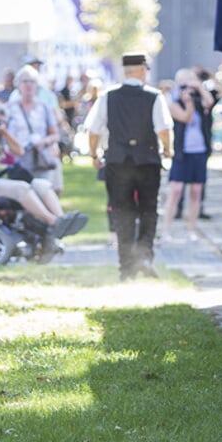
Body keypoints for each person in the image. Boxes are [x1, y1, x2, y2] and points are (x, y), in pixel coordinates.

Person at [84, 52, 173, 280]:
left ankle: (126, 268)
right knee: (148, 209)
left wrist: (94, 154)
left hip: (118, 160)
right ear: (143, 70)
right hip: (147, 160)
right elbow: (163, 129)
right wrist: (167, 149)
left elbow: (93, 130)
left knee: (122, 213)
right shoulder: (154, 96)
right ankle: (144, 254)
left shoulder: (108, 96)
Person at [0, 103, 87, 238]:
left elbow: (19, 151)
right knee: (22, 187)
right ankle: (53, 221)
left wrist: (4, 132)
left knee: (42, 184)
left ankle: (62, 220)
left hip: (6, 182)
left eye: (0, 121)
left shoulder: (2, 138)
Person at [161, 68, 213, 241]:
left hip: (199, 151)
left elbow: (210, 102)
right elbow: (186, 118)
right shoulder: (174, 101)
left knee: (196, 191)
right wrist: (188, 102)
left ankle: (192, 229)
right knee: (175, 190)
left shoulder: (200, 99)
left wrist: (199, 88)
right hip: (182, 152)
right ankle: (166, 229)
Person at [7, 65, 69, 194]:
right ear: (18, 84)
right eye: (25, 81)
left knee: (43, 193)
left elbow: (55, 134)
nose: (28, 85)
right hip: (18, 159)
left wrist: (44, 142)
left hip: (40, 157)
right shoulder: (9, 108)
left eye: (32, 82)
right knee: (22, 196)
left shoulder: (44, 107)